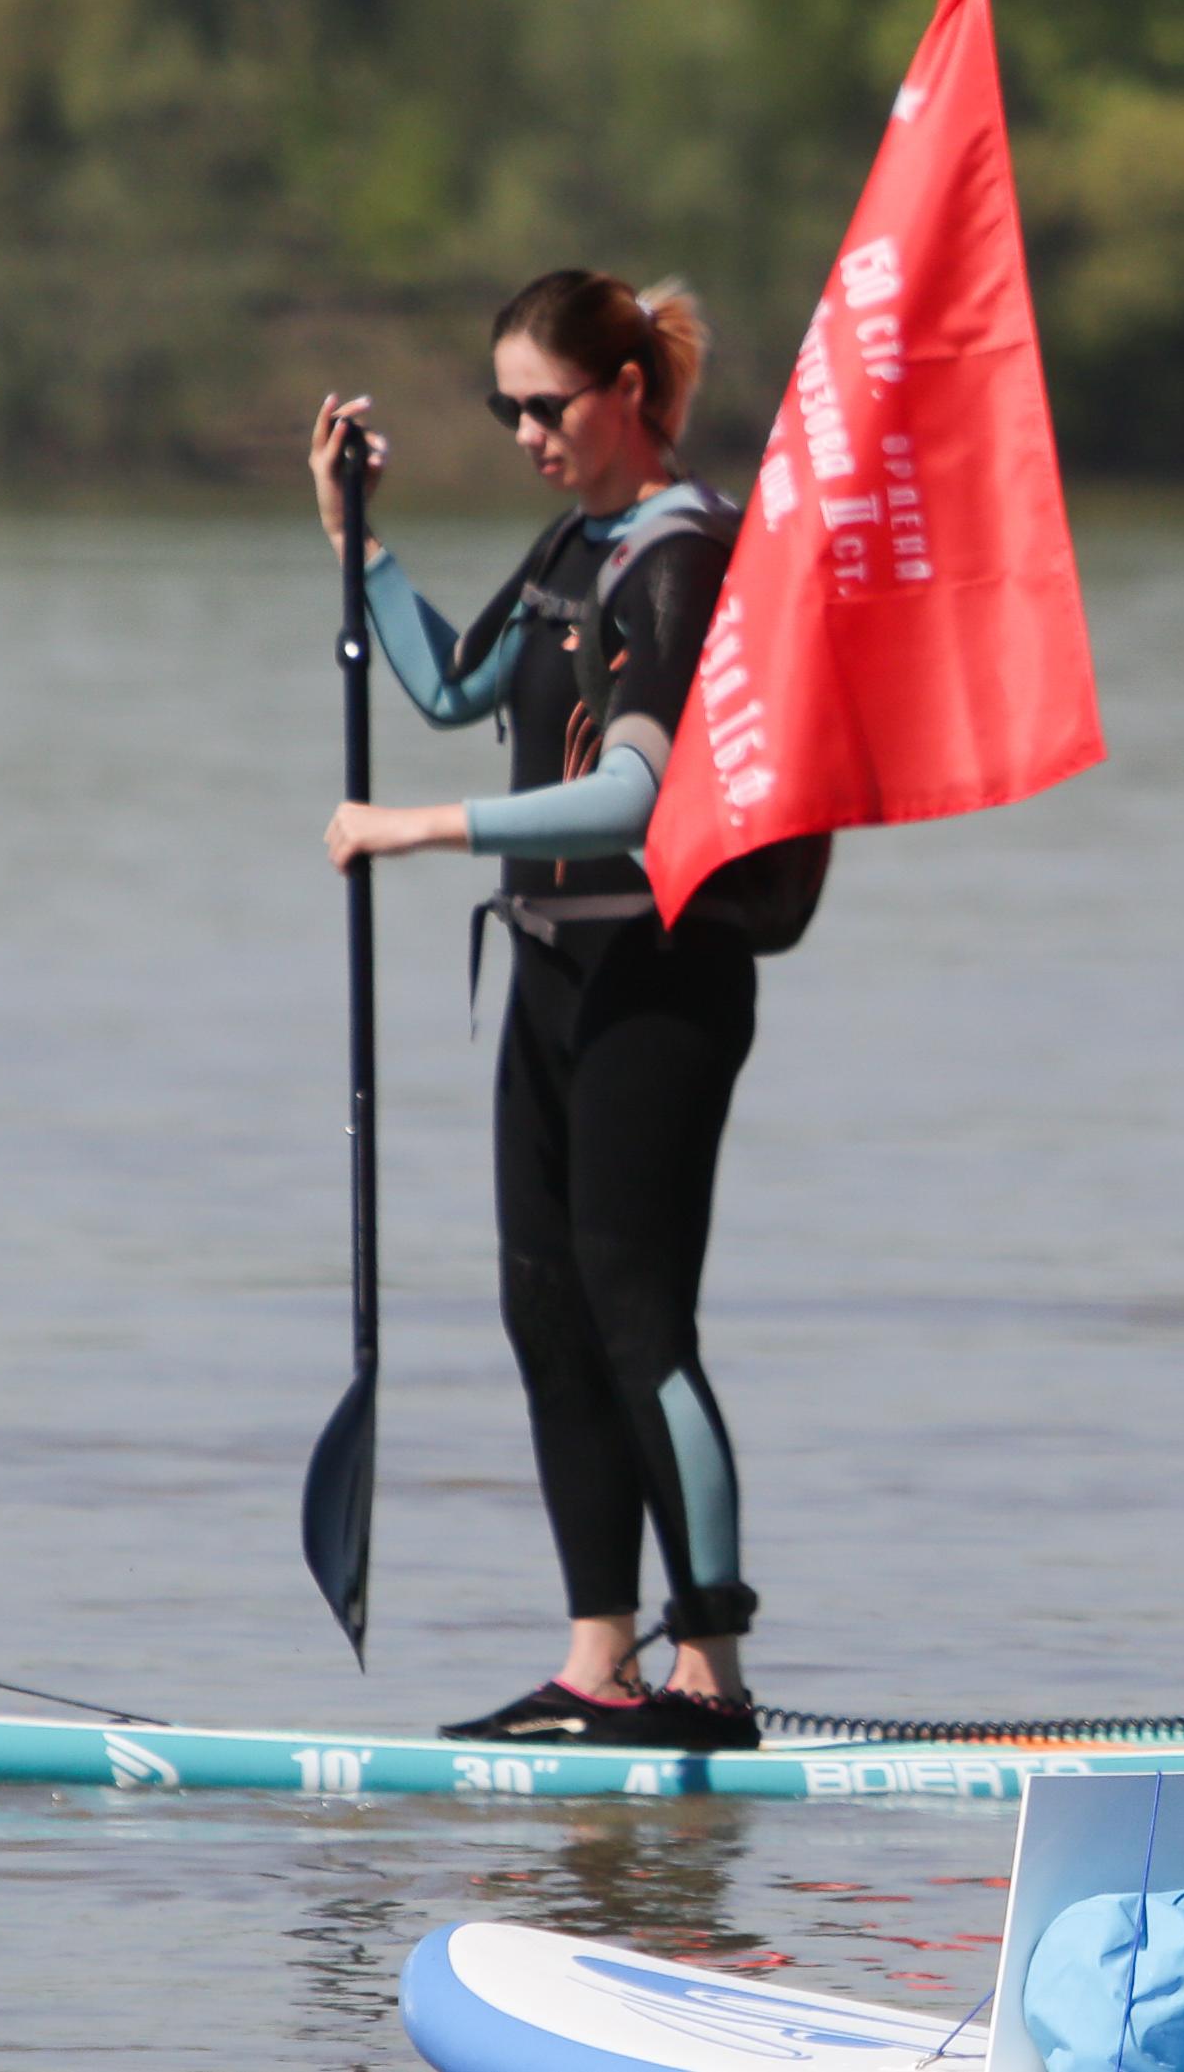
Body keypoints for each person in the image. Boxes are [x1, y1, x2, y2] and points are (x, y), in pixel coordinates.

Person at [309, 269, 794, 1752]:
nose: (525, 431)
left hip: (661, 977)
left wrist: (417, 830)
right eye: (505, 406)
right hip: (549, 972)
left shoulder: (679, 555)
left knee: (639, 1315)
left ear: (628, 395)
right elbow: (455, 688)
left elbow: (640, 795)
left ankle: (708, 1672)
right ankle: (601, 1664)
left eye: (549, 404)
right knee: (545, 1313)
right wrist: (358, 548)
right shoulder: (573, 544)